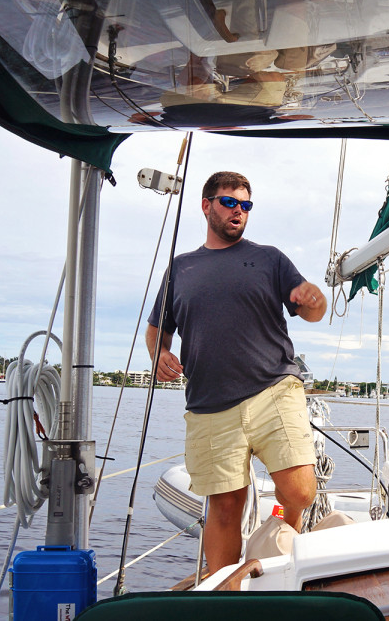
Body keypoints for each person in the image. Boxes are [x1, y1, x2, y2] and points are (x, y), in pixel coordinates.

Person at [145, 170, 327, 576]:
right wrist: (159, 355)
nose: (238, 211)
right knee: (225, 507)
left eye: (246, 205)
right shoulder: (181, 268)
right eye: (230, 202)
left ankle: (282, 537)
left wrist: (314, 300)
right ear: (206, 205)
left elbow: (310, 309)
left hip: (273, 389)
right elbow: (158, 329)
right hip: (209, 406)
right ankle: (224, 594)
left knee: (300, 490)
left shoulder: (269, 259)